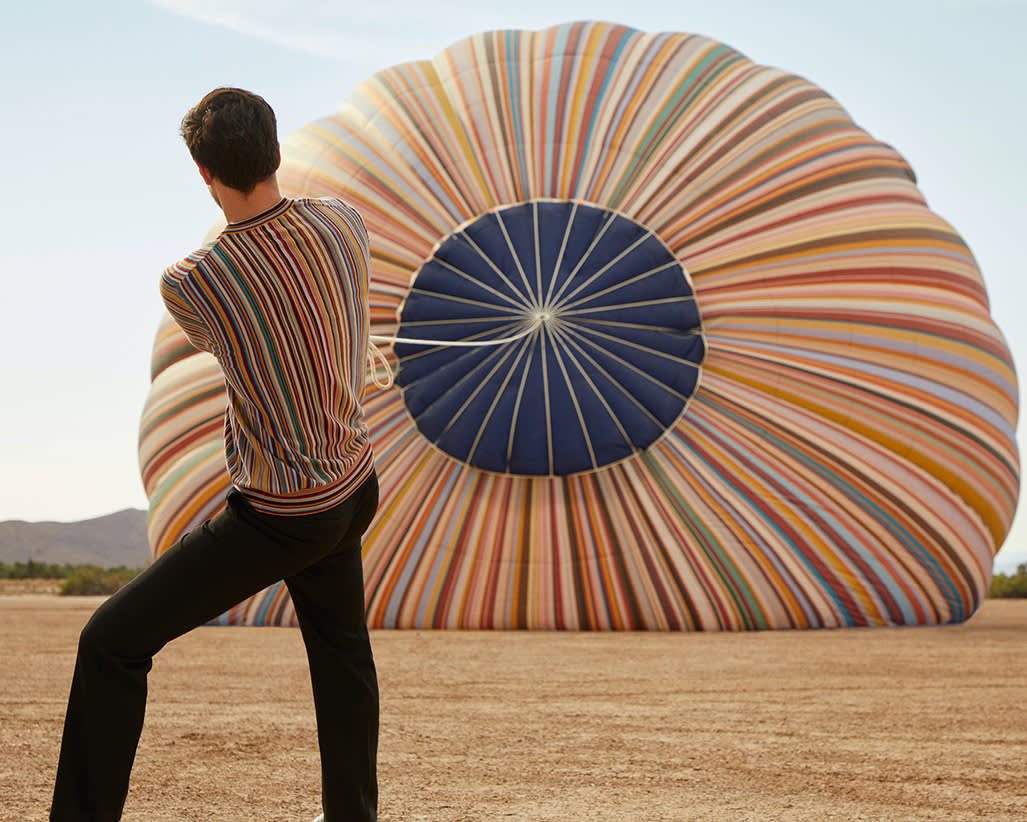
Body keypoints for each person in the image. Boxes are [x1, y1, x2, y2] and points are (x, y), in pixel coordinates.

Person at [50, 88, 380, 822]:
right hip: (353, 485)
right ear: (277, 151)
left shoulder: (192, 281)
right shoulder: (345, 223)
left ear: (203, 172)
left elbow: (221, 344)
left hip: (281, 512)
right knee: (341, 655)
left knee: (110, 642)